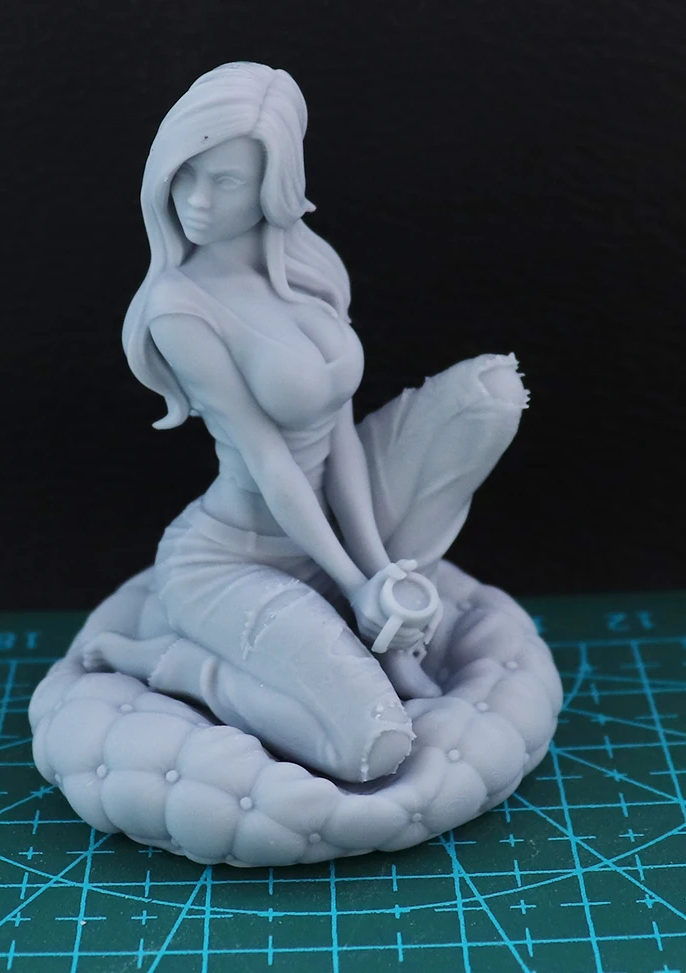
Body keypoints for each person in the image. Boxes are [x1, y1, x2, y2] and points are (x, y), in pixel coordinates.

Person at [83, 62, 528, 784]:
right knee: (373, 746)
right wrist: (355, 582)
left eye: (225, 180)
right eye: (184, 173)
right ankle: (172, 662)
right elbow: (269, 460)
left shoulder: (307, 269)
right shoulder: (178, 306)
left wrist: (376, 570)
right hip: (229, 560)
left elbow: (339, 435)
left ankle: (372, 635)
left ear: (273, 185)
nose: (196, 200)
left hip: (323, 533)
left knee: (492, 395)